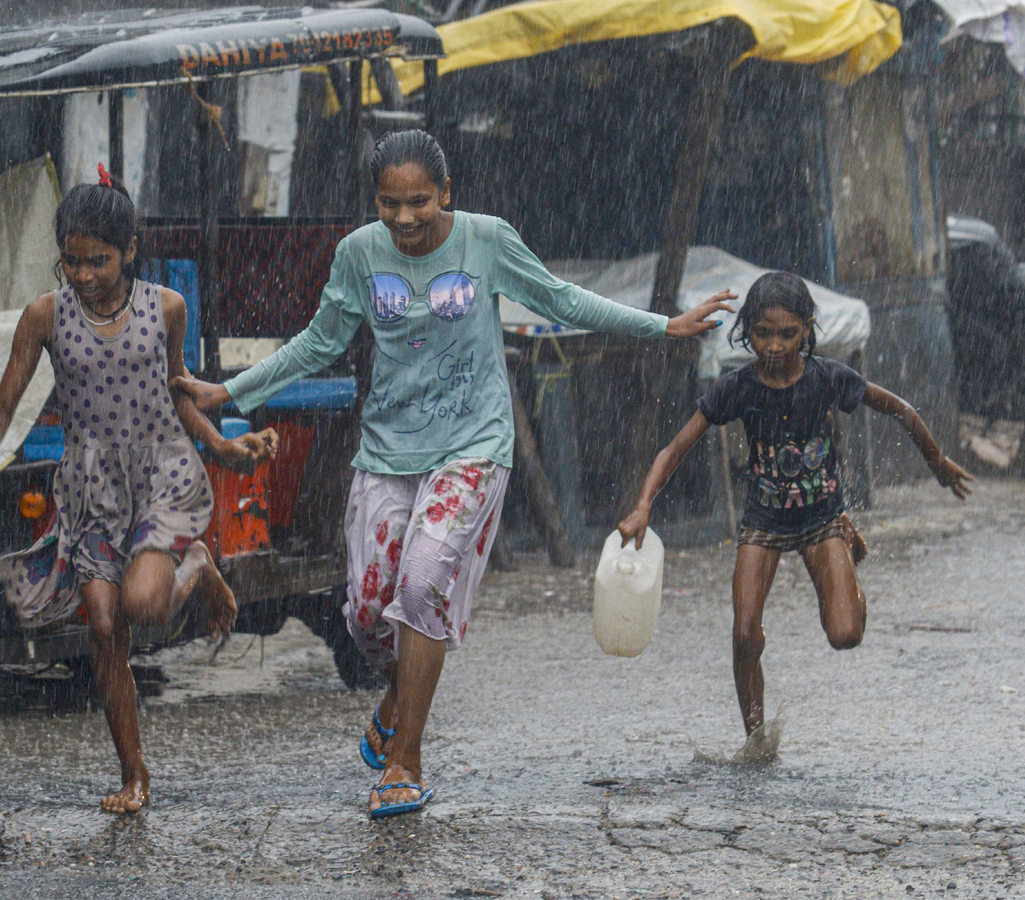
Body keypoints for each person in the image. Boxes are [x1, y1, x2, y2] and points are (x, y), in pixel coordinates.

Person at [173, 128, 731, 818]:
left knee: (422, 581)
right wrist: (227, 393)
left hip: (472, 445)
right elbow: (321, 340)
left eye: (418, 203)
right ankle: (397, 697)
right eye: (388, 204)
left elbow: (560, 300)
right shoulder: (358, 255)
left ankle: (405, 762)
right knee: (366, 614)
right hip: (387, 450)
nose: (404, 219)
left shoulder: (486, 240)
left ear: (446, 193)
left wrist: (662, 325)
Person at [0, 166, 277, 813]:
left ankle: (197, 567)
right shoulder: (44, 315)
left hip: (159, 474)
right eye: (71, 262)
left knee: (145, 605)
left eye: (99, 261)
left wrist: (224, 446)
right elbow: (5, 402)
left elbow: (180, 391)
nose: (84, 275)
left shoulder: (164, 307)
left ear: (130, 252)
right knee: (103, 624)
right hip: (91, 488)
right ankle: (134, 773)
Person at [618, 271, 972, 747]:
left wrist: (939, 462)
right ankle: (756, 740)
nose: (775, 345)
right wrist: (644, 506)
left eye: (788, 333)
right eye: (763, 333)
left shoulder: (828, 378)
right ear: (747, 330)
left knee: (845, 635)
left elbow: (900, 409)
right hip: (762, 522)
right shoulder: (737, 387)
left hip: (821, 520)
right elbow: (673, 450)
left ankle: (845, 548)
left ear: (806, 329)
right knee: (744, 634)